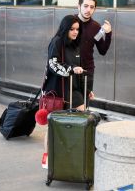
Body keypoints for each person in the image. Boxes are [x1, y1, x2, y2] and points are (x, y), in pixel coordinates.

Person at [39, 14, 105, 169]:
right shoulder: (56, 42)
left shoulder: (76, 45)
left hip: (74, 89)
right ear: (65, 29)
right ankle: (48, 157)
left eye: (77, 29)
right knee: (52, 125)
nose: (75, 32)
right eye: (72, 29)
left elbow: (80, 69)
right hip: (57, 90)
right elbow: (53, 65)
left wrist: (87, 89)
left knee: (83, 118)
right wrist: (70, 69)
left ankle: (80, 155)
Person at [77, 0, 112, 102]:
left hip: (88, 71)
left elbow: (102, 51)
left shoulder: (96, 27)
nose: (88, 10)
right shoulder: (70, 22)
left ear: (94, 9)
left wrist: (108, 33)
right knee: (69, 104)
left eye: (92, 7)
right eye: (86, 6)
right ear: (79, 6)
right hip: (71, 69)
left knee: (84, 104)